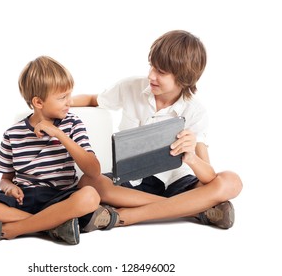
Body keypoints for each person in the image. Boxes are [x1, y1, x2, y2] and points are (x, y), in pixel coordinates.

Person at [73, 30, 243, 229]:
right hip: (132, 184)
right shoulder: (131, 87)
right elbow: (94, 100)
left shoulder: (196, 112)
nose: (151, 76)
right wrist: (61, 102)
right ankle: (197, 210)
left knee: (232, 181)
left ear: (183, 77)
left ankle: (126, 217)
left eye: (161, 72)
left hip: (178, 183)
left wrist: (191, 157)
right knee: (88, 182)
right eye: (152, 66)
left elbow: (209, 175)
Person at [0, 56, 120, 246]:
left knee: (90, 196)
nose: (69, 102)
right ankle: (51, 226)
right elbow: (5, 178)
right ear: (38, 102)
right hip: (23, 200)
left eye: (69, 95)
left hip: (60, 198)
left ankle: (12, 229)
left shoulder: (73, 124)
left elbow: (93, 171)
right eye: (62, 97)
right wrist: (9, 188)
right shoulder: (12, 133)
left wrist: (60, 134)